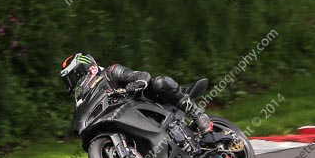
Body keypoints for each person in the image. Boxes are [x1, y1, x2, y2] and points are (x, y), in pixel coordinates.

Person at [60, 53, 213, 134]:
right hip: (124, 117)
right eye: (69, 80)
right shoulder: (86, 97)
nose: (74, 82)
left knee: (159, 82)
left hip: (147, 102)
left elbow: (140, 75)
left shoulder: (110, 72)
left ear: (88, 67)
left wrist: (136, 83)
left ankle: (198, 114)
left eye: (74, 76)